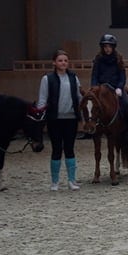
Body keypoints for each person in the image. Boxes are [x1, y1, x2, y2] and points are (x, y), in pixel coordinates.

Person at [36, 49, 81, 191]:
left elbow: (79, 97)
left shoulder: (74, 78)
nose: (63, 63)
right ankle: (54, 182)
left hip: (71, 118)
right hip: (54, 118)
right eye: (60, 60)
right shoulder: (47, 79)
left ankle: (71, 180)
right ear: (54, 62)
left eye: (66, 61)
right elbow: (42, 99)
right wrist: (40, 115)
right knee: (56, 149)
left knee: (69, 148)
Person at [91, 34, 128, 140]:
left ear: (113, 47)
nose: (107, 49)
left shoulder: (118, 59)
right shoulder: (98, 59)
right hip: (101, 88)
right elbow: (94, 75)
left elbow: (122, 76)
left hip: (115, 88)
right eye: (105, 47)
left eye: (109, 46)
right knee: (89, 105)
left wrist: (119, 87)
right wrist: (94, 87)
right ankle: (89, 129)